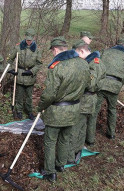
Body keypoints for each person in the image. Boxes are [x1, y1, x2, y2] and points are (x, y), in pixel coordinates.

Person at [36, 37, 90, 182]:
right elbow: (88, 84)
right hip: (74, 109)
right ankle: (61, 164)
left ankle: (50, 172)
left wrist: (40, 107)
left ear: (55, 49)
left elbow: (49, 94)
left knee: (50, 141)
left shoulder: (57, 67)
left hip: (57, 111)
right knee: (65, 139)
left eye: (52, 51)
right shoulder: (83, 63)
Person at [68, 40, 106, 163]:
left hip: (86, 100)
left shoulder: (94, 64)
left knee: (75, 127)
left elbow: (90, 83)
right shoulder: (94, 62)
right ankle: (77, 150)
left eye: (76, 54)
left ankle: (69, 156)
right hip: (88, 100)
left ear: (83, 51)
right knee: (82, 125)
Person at [93, 38, 124, 139]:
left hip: (101, 83)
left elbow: (96, 65)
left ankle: (90, 138)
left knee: (95, 109)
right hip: (115, 86)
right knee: (112, 110)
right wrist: (118, 85)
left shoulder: (105, 51)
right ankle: (111, 134)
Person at [7, 28, 42, 120]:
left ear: (33, 38)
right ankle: (19, 111)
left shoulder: (37, 50)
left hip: (30, 76)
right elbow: (9, 59)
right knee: (19, 95)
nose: (29, 42)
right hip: (19, 75)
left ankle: (29, 111)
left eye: (31, 40)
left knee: (29, 96)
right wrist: (11, 69)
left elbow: (39, 64)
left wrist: (32, 71)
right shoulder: (18, 47)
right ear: (25, 37)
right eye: (27, 40)